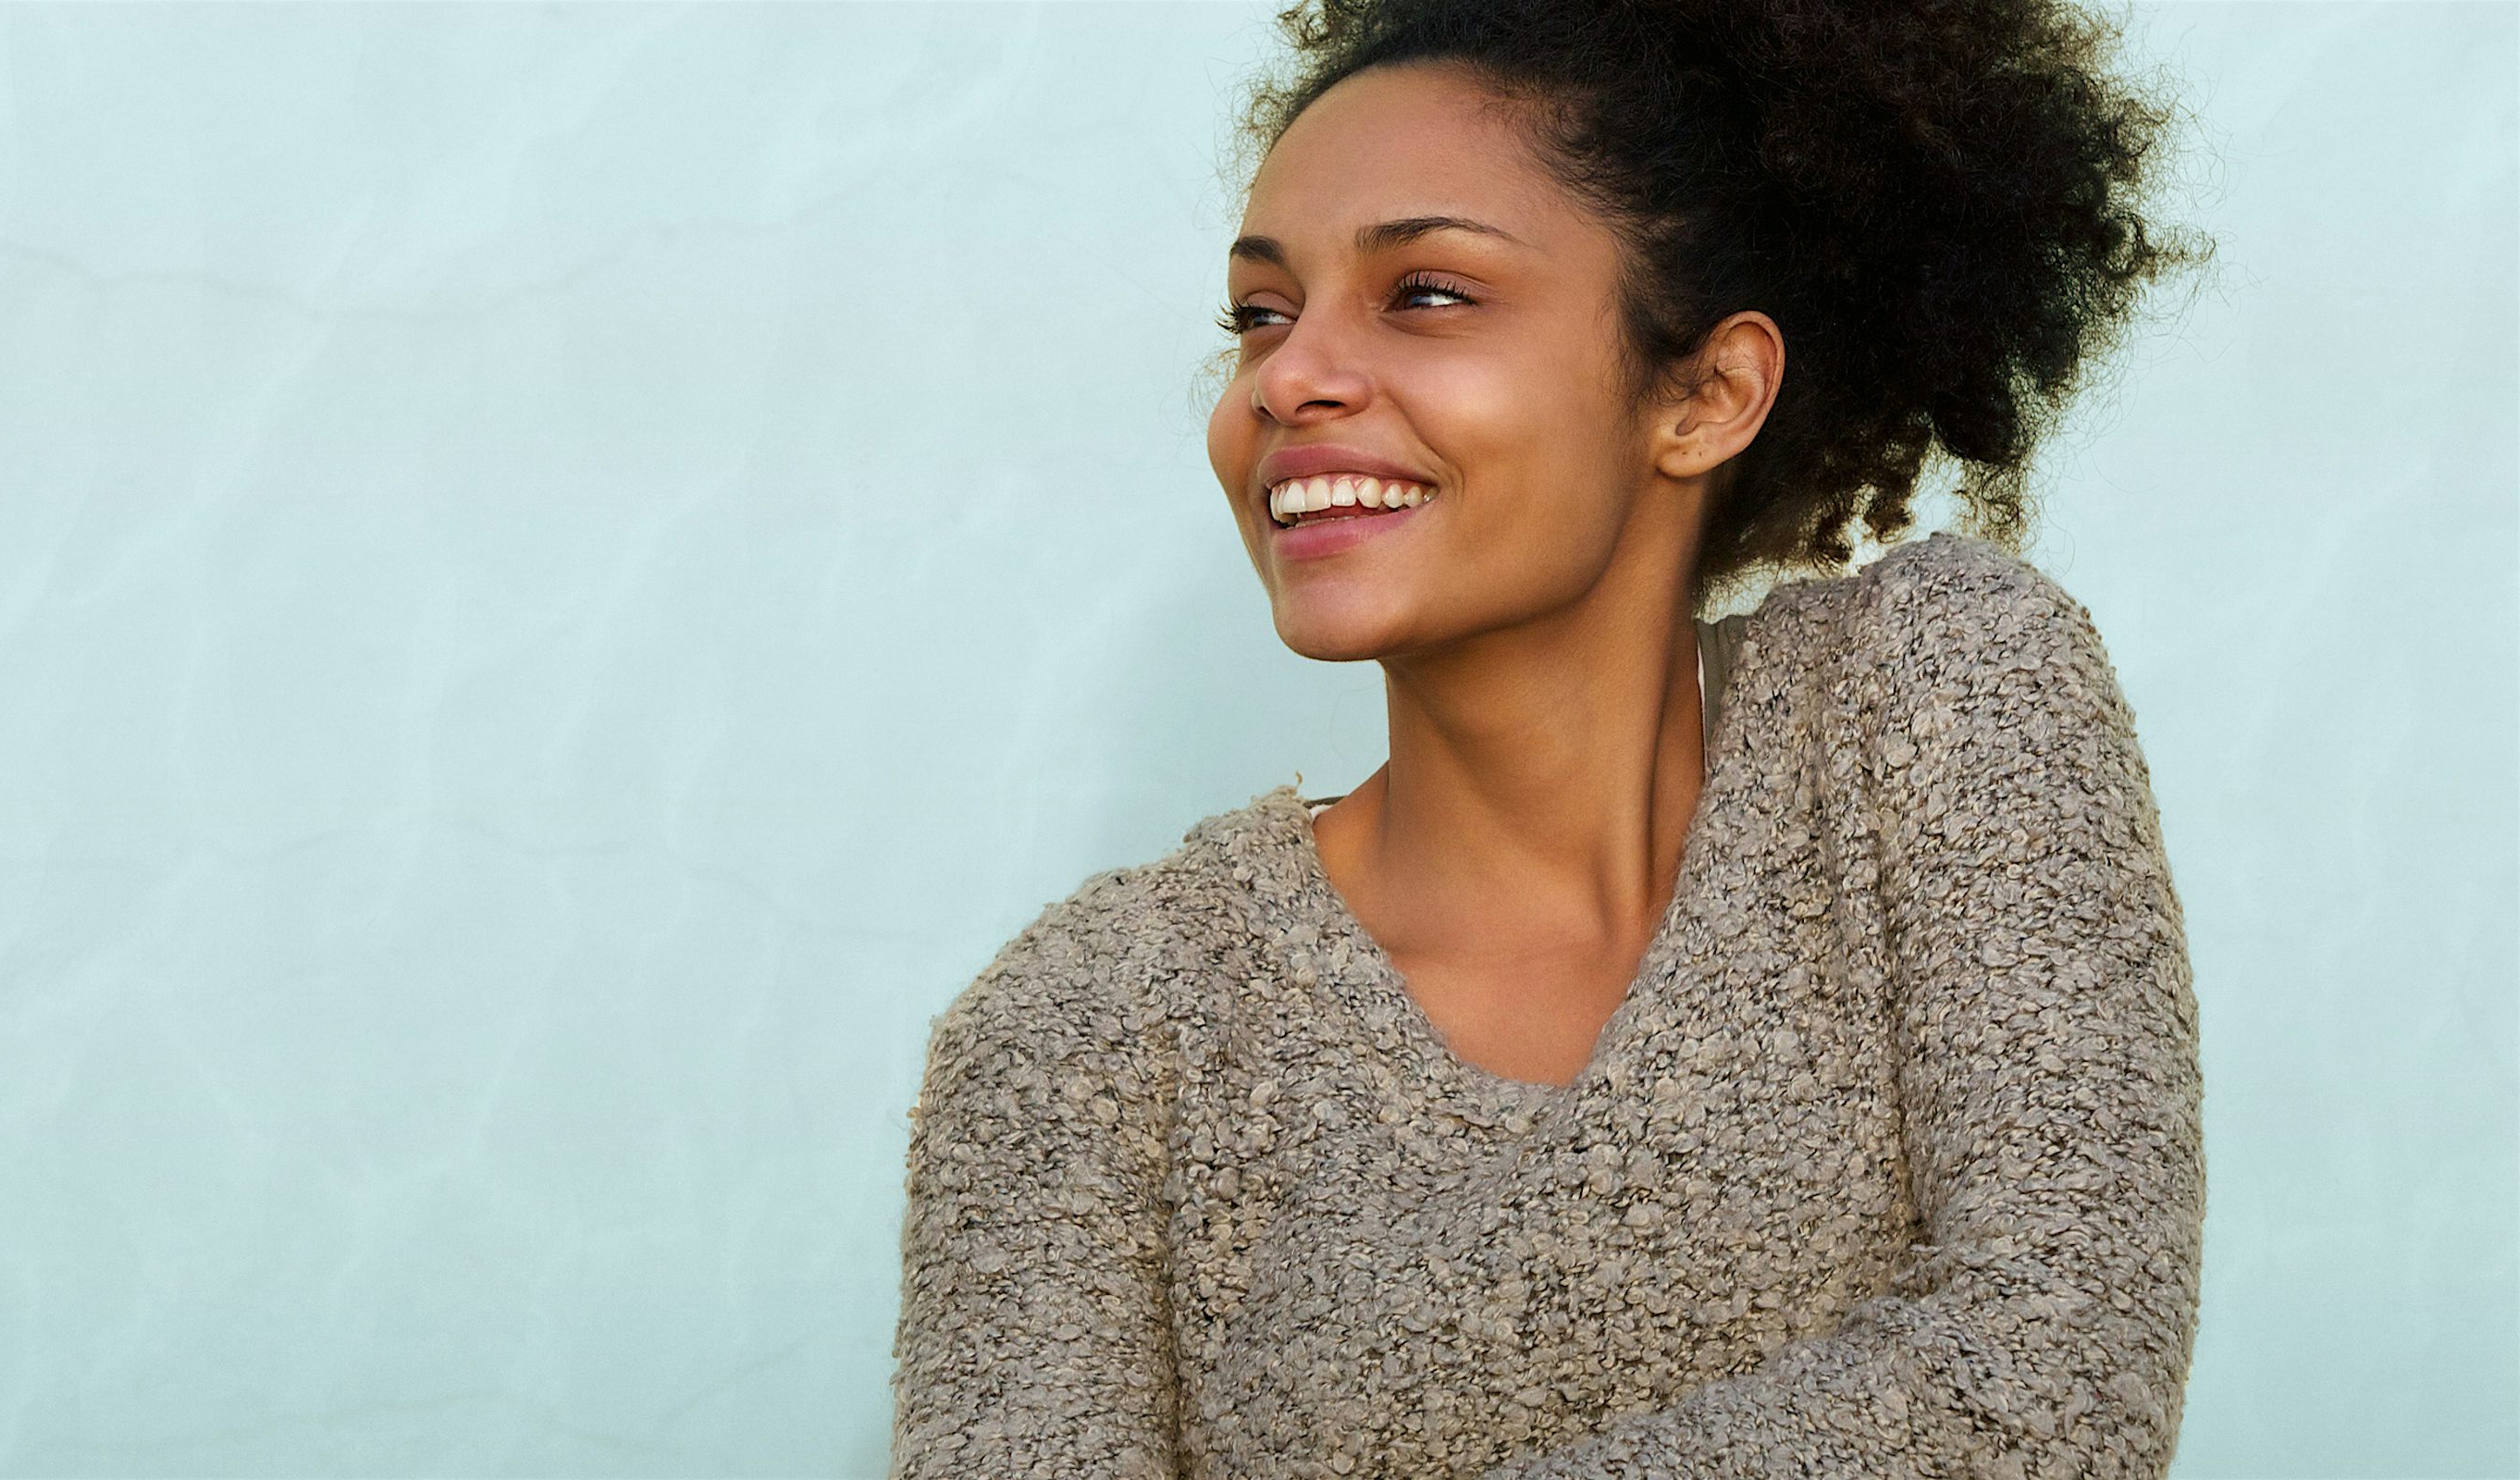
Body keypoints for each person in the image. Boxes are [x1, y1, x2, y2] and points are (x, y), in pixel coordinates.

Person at [885, 0, 2216, 1475]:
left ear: (1708, 396)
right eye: (1261, 315)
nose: (1286, 377)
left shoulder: (1926, 703)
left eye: (1428, 294)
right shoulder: (1086, 1034)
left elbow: (2055, 1384)